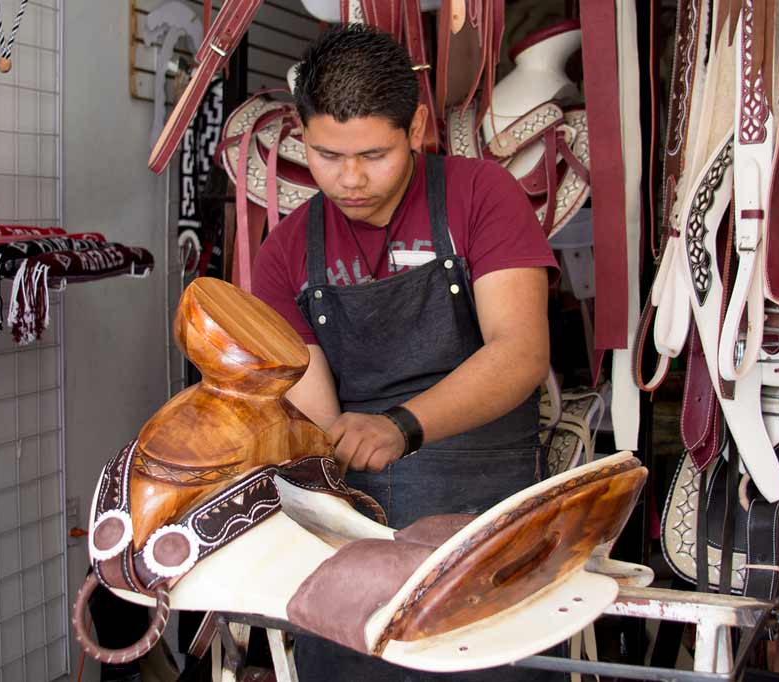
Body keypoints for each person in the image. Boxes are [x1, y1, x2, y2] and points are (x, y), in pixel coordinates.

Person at [251, 23, 562, 682]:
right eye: (328, 157)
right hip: (356, 525)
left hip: (486, 507)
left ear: (417, 126)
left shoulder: (481, 196)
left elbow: (520, 352)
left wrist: (401, 426)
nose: (352, 179)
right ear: (302, 135)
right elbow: (316, 417)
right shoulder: (284, 252)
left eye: (374, 154)